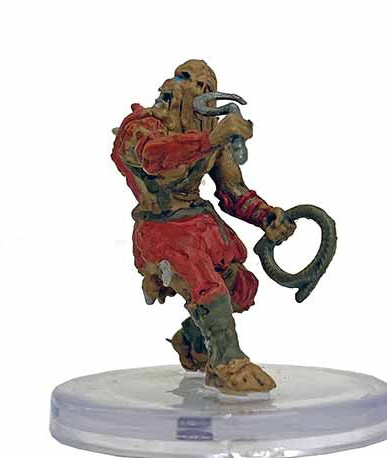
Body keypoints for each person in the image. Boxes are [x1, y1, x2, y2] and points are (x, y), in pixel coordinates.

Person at [111, 60, 295, 394]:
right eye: (188, 78)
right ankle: (229, 363)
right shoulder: (141, 127)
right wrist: (211, 138)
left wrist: (266, 216)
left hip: (201, 224)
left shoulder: (210, 134)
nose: (197, 89)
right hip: (162, 228)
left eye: (206, 86)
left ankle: (194, 343)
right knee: (206, 285)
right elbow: (155, 158)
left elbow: (233, 190)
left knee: (238, 285)